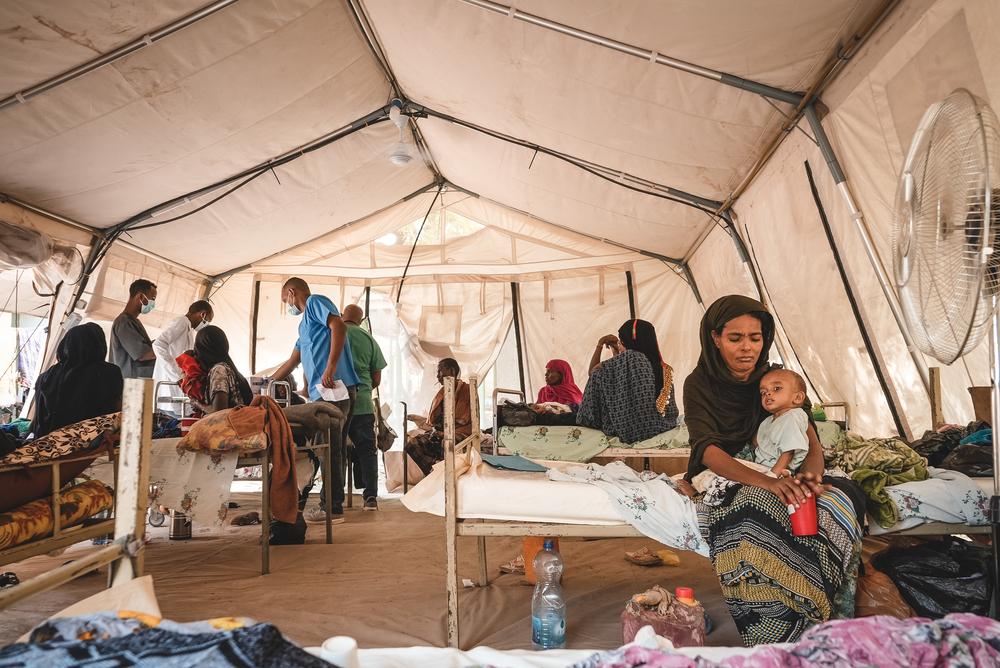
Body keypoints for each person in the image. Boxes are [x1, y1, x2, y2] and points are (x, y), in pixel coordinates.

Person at [683, 295, 862, 645]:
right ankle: (772, 632)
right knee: (753, 509)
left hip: (776, 470)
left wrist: (809, 478)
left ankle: (821, 621)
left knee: (831, 505)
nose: (747, 348)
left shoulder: (776, 379)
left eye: (756, 337)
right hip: (731, 470)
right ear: (715, 338)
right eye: (735, 338)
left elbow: (807, 436)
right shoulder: (699, 384)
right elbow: (707, 450)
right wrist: (766, 482)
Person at [271, 277, 360, 522]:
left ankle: (331, 508)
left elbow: (339, 327)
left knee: (328, 450)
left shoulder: (314, 303)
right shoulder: (304, 326)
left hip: (334, 389)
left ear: (291, 292)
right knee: (334, 448)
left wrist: (330, 367)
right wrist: (266, 383)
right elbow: (293, 361)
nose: (288, 306)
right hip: (322, 391)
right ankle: (333, 504)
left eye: (285, 300)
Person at [576, 319, 678, 443]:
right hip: (661, 425)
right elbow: (623, 381)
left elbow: (593, 373)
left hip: (630, 430)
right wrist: (617, 354)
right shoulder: (662, 366)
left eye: (621, 340)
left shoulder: (628, 359)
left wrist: (600, 344)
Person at [31, 323, 123, 438]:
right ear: (99, 345)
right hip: (86, 444)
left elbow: (37, 421)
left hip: (45, 445)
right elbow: (118, 414)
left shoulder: (45, 376)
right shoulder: (109, 372)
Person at [341, 303, 387, 511]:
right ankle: (370, 498)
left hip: (337, 403)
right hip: (362, 404)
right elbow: (377, 377)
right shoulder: (369, 338)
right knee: (367, 452)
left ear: (342, 316)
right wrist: (365, 386)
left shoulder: (333, 333)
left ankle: (333, 500)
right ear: (360, 320)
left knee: (334, 451)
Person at [404, 358, 471, 475]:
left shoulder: (467, 390)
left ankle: (440, 471)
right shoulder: (442, 392)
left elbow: (462, 420)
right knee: (411, 444)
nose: (437, 376)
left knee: (446, 442)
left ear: (452, 371)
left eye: (440, 371)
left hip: (460, 433)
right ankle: (434, 471)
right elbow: (434, 420)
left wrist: (443, 433)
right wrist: (434, 430)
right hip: (442, 433)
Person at [152, 300, 213, 406]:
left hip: (177, 382)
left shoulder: (188, 328)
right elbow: (158, 344)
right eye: (207, 321)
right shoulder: (182, 322)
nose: (206, 325)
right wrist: (178, 375)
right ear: (202, 314)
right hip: (172, 380)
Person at [755, 368, 809, 475]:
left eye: (776, 388)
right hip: (761, 467)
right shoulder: (768, 420)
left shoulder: (792, 417)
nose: (768, 394)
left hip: (776, 470)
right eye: (763, 392)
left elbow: (788, 452)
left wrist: (773, 477)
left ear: (798, 397)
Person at [109, 279, 157, 379]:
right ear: (141, 296)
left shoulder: (134, 322)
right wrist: (167, 350)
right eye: (152, 298)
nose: (153, 304)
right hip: (130, 384)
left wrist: (161, 342)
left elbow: (145, 345)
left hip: (138, 382)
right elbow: (143, 354)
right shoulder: (124, 322)